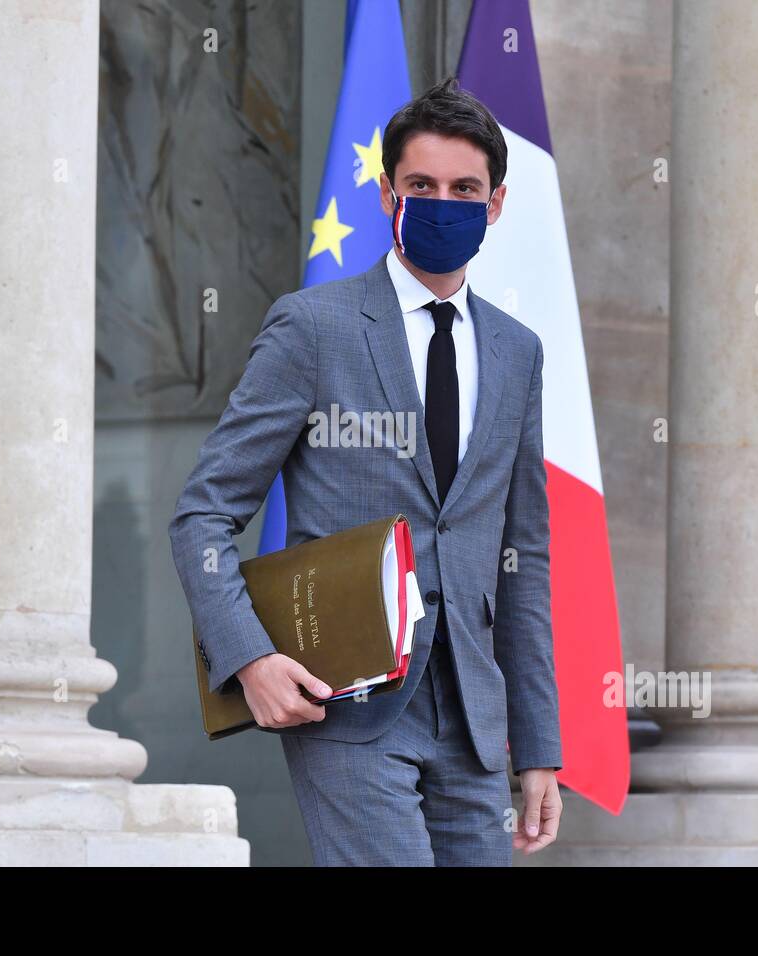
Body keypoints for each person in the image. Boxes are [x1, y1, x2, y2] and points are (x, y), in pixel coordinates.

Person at [169, 76, 562, 866]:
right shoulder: (312, 328)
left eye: (463, 189)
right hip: (350, 704)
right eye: (421, 186)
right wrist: (248, 657)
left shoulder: (519, 351)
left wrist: (538, 744)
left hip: (477, 721)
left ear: (495, 205)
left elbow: (523, 559)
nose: (442, 203)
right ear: (388, 195)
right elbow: (203, 513)